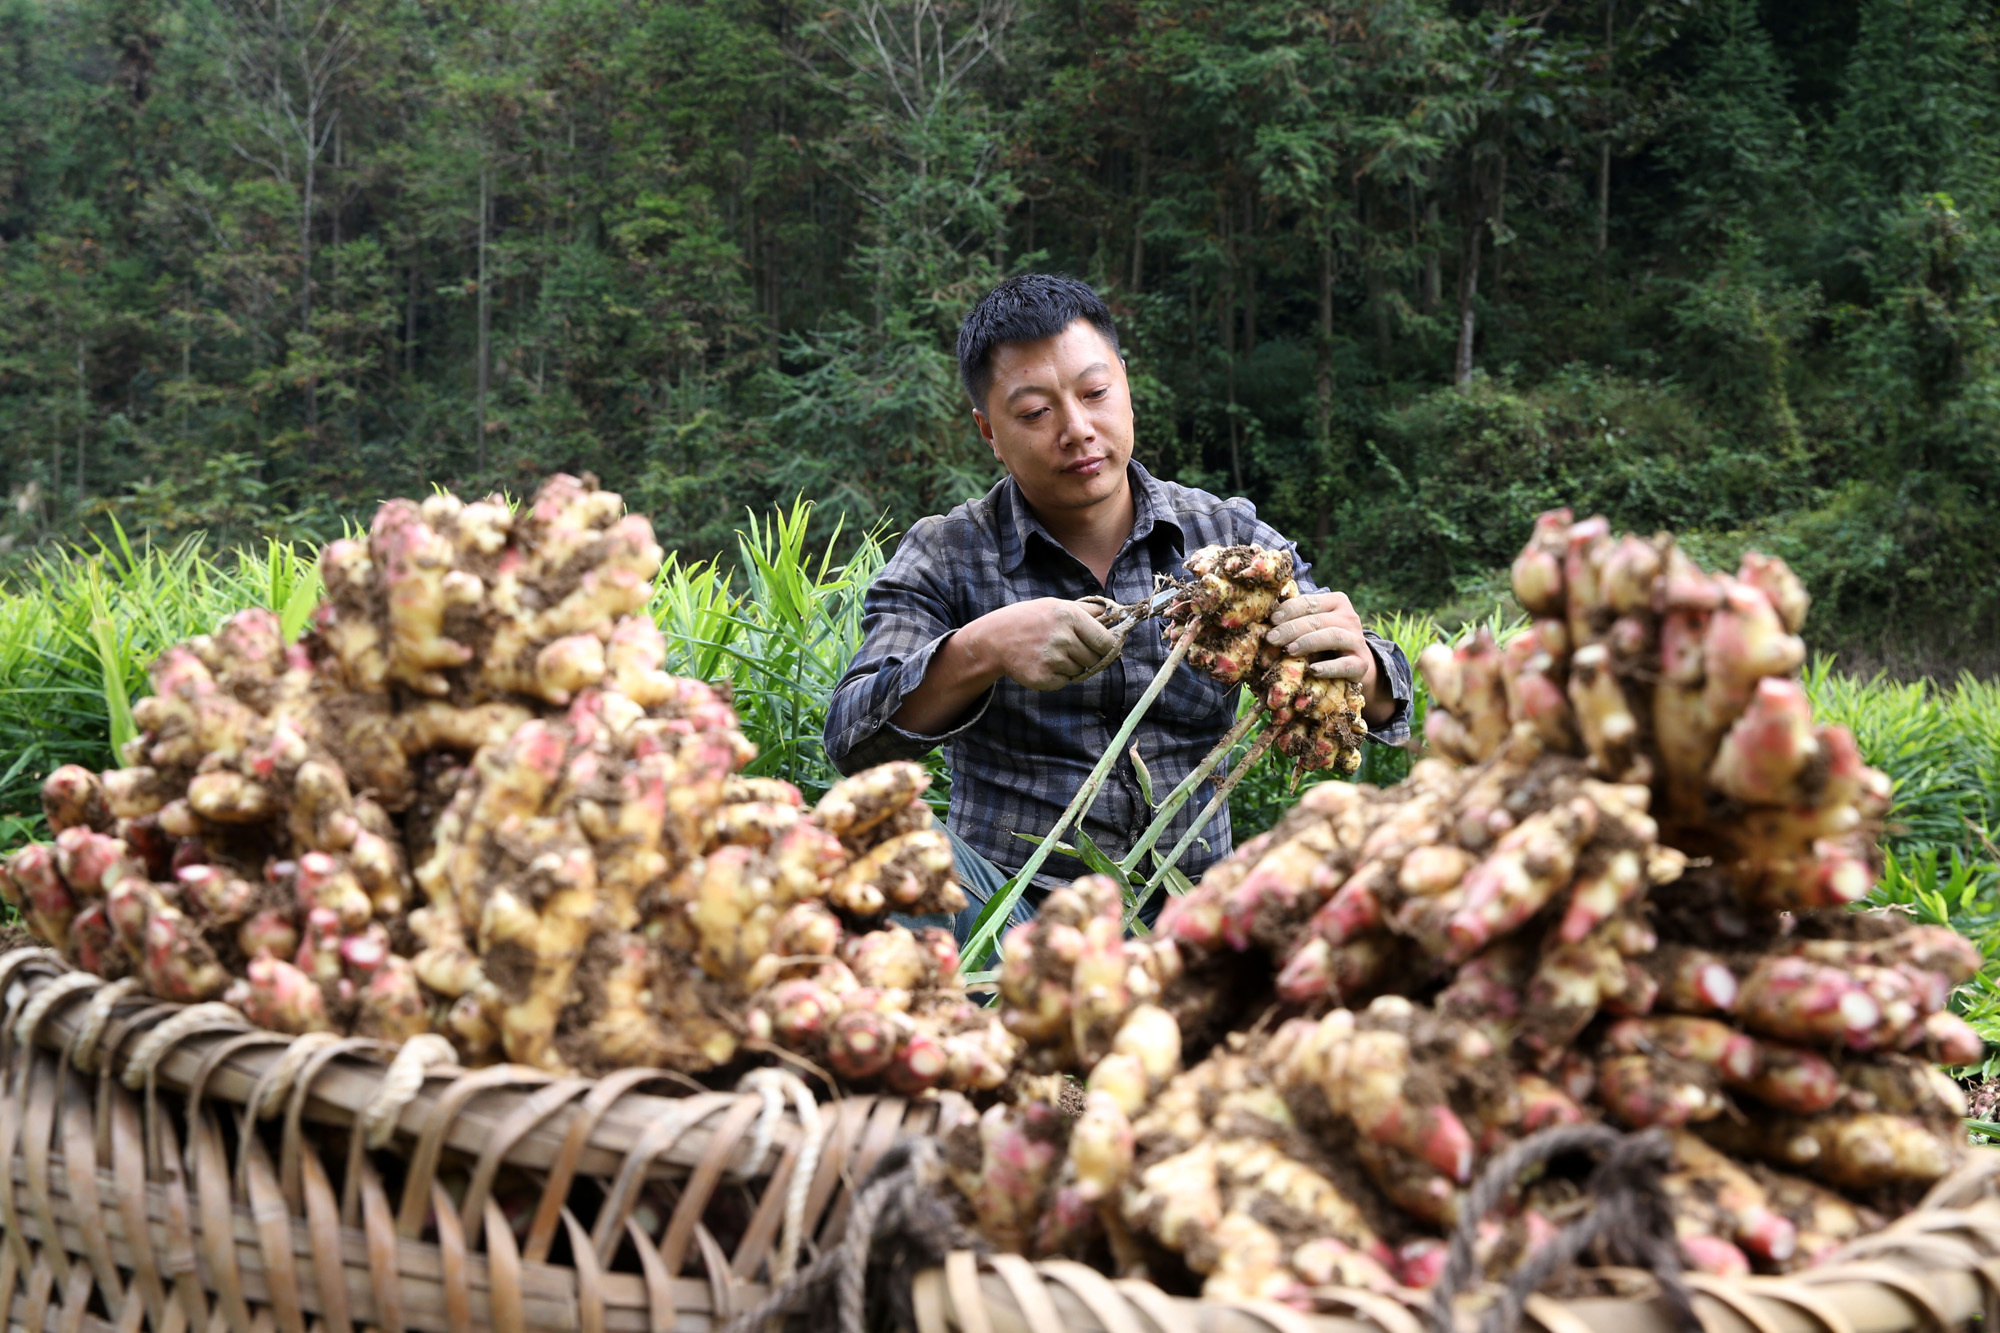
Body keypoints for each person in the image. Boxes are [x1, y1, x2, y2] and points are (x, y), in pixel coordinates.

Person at [822, 274, 1412, 944]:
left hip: (1197, 919)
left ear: (1125, 388)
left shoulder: (1228, 538)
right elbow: (851, 737)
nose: (1077, 430)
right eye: (1035, 413)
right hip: (1013, 924)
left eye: (1095, 393)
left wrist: (1359, 664)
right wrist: (982, 650)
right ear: (989, 431)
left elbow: (1387, 697)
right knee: (879, 839)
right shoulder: (946, 552)